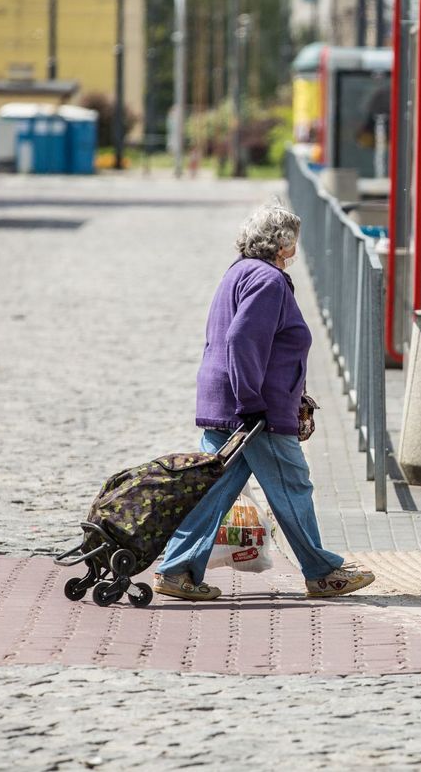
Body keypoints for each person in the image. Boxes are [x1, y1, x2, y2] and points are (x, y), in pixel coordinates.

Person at [154, 201, 375, 601]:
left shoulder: (239, 272)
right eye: (295, 238)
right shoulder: (269, 281)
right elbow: (242, 340)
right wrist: (253, 401)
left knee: (212, 490)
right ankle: (323, 573)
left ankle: (176, 569)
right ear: (283, 242)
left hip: (228, 402)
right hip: (256, 411)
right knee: (293, 487)